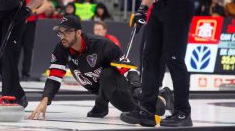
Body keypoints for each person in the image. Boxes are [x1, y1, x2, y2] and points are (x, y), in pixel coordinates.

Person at [29, 15, 173, 120]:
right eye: (60, 32)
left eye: (67, 31)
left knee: (108, 74)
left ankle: (101, 106)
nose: (62, 36)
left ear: (78, 33)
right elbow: (54, 76)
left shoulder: (103, 45)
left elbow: (128, 68)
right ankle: (163, 94)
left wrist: (136, 87)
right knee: (132, 108)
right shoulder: (62, 48)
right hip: (105, 91)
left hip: (119, 84)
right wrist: (45, 100)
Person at [120, 0, 194, 127]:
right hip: (160, 3)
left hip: (177, 2)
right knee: (150, 57)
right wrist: (147, 9)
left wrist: (142, 8)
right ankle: (147, 110)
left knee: (174, 59)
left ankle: (183, 113)